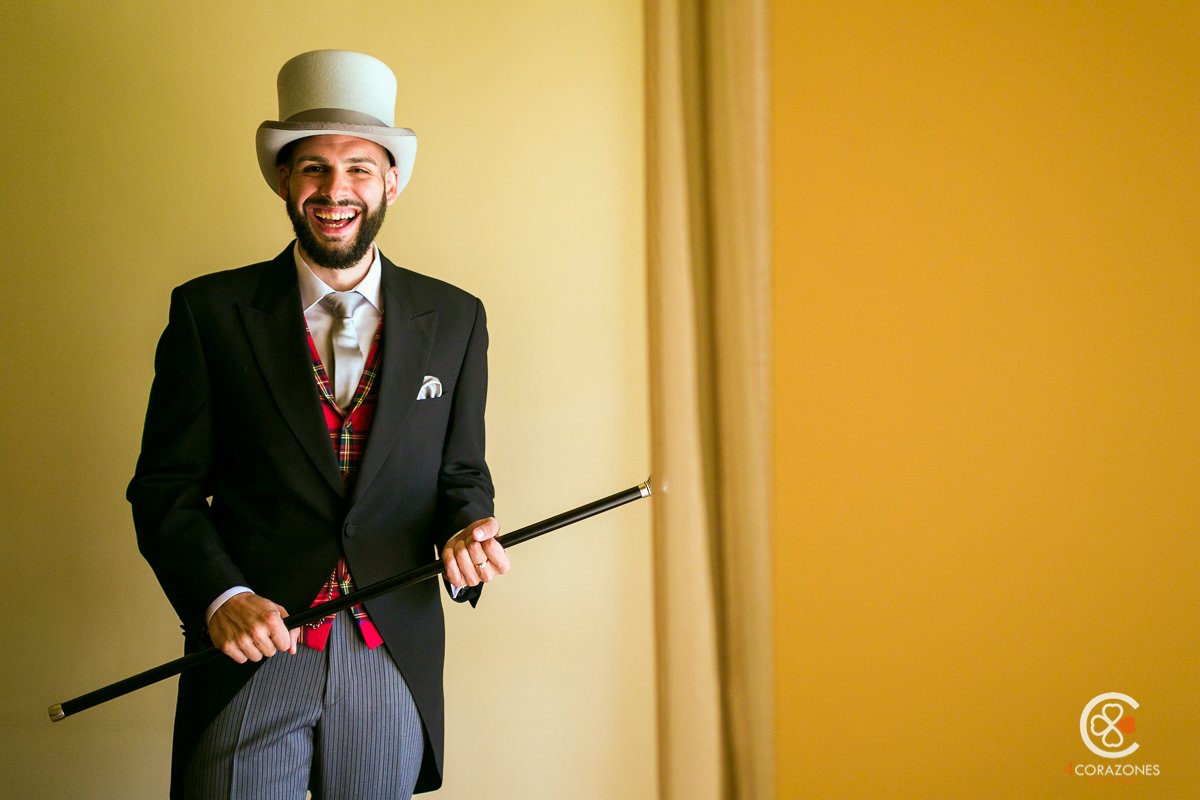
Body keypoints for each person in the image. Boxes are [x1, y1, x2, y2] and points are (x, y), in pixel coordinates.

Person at [127, 49, 508, 799]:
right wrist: (222, 599)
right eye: (314, 168)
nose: (337, 190)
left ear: (391, 179)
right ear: (283, 180)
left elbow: (460, 475)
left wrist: (469, 530)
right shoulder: (209, 313)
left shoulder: (456, 319)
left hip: (389, 654)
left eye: (360, 168)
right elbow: (163, 489)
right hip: (252, 658)